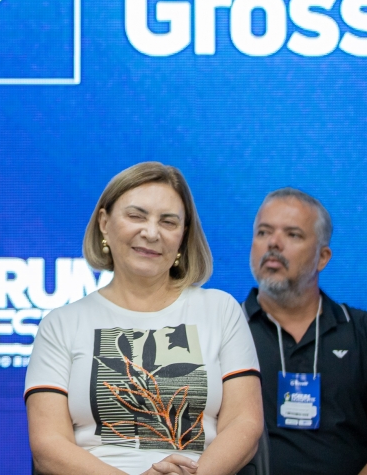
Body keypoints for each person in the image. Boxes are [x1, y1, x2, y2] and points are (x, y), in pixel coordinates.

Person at [26, 162, 263, 475]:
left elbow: (244, 424)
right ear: (104, 223)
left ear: (183, 236)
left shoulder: (221, 310)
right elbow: (48, 445)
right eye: (136, 216)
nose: (151, 233)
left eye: (168, 222)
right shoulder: (62, 324)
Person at [244, 187, 367, 475]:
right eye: (263, 232)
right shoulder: (226, 329)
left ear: (323, 257)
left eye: (293, 234)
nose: (273, 243)